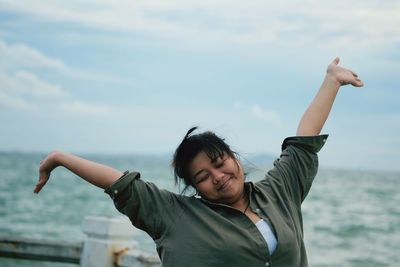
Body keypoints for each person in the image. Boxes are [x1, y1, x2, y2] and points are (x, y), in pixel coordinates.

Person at [34, 57, 363, 267]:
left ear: (234, 158)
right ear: (195, 187)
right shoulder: (177, 216)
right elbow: (120, 183)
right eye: (203, 176)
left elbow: (303, 143)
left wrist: (331, 80)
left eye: (220, 163)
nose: (218, 176)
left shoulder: (278, 192)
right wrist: (62, 158)